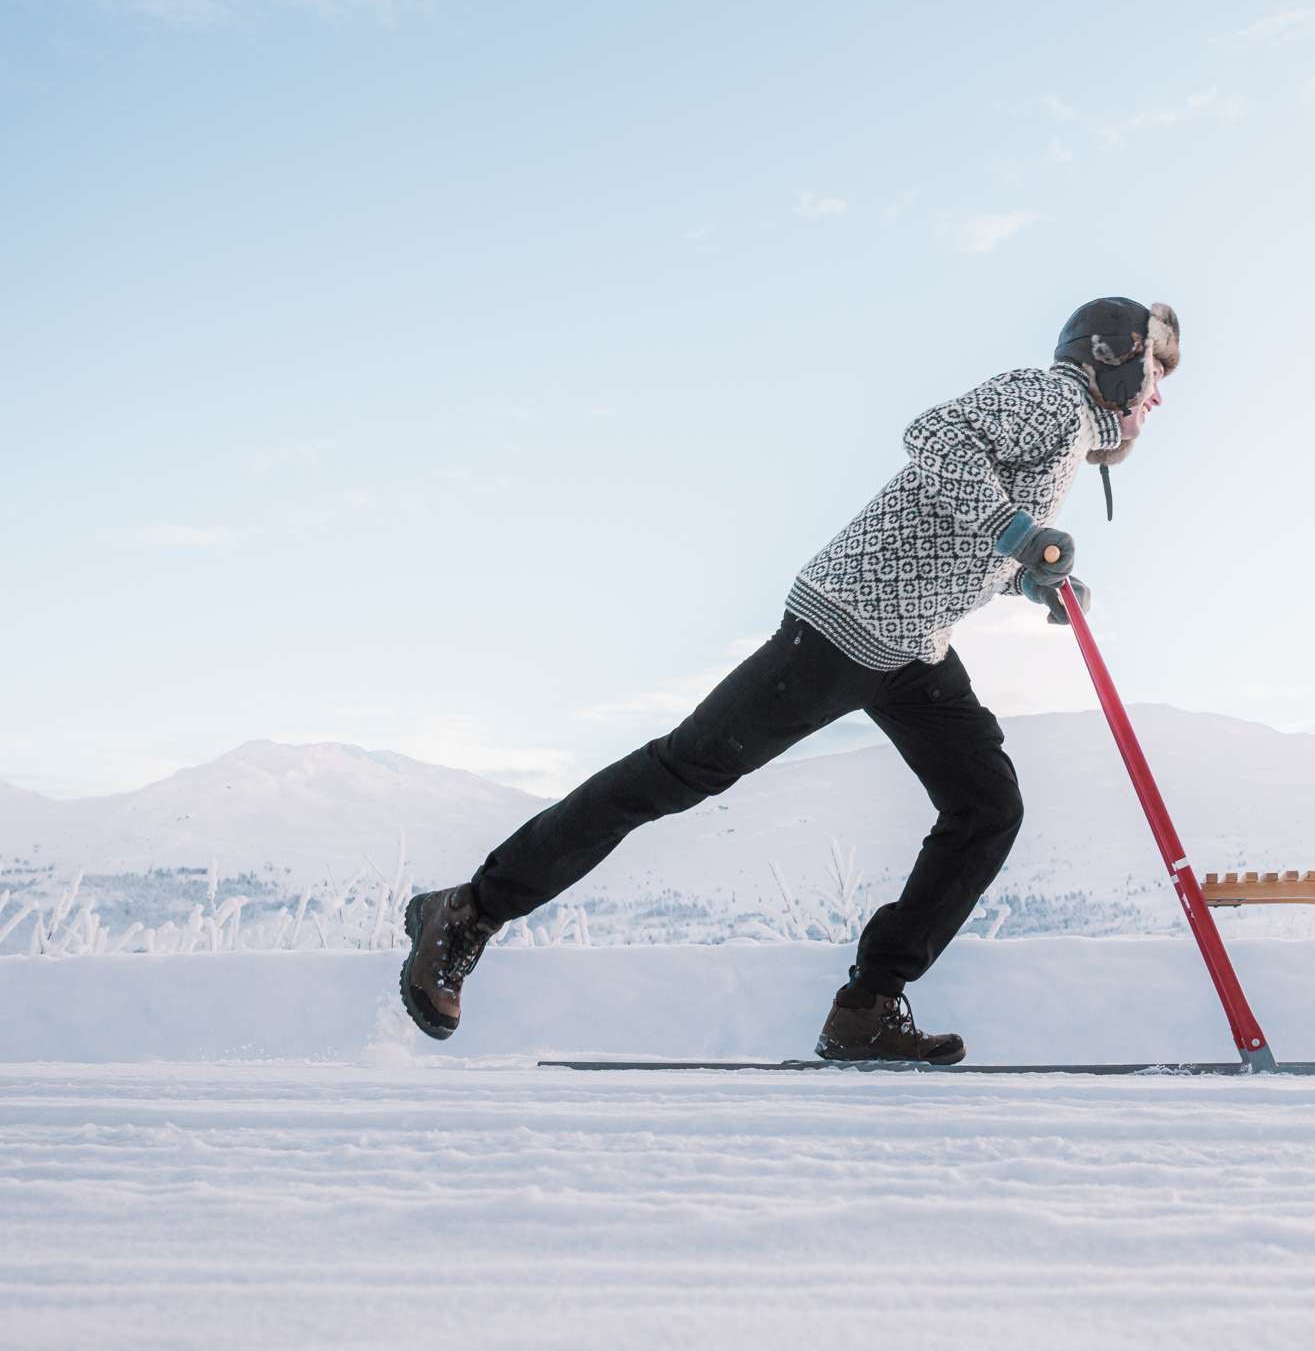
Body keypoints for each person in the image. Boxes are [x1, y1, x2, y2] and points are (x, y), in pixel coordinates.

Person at [399, 296, 1180, 1063]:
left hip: (910, 644)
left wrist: (1031, 578)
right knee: (678, 770)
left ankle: (866, 1008)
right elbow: (937, 438)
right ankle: (467, 911)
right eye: (1156, 368)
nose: (1158, 393)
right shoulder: (1051, 397)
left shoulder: (1070, 437)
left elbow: (963, 532)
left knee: (986, 805)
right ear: (1113, 358)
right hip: (848, 623)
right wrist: (1019, 533)